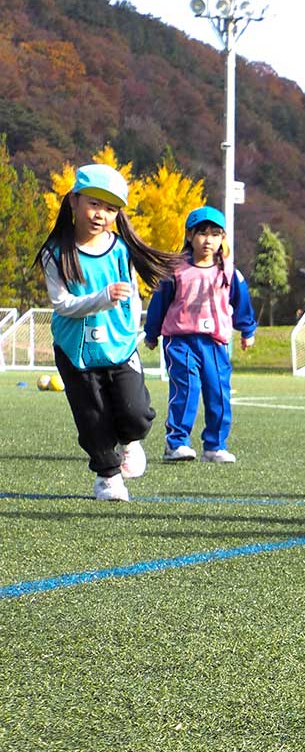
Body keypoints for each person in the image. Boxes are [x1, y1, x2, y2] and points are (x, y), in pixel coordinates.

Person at [35, 164, 180, 501]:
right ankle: (108, 477)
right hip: (76, 351)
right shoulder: (54, 253)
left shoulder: (120, 249)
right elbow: (62, 304)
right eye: (95, 204)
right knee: (93, 419)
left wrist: (132, 331)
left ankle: (130, 443)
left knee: (136, 414)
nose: (101, 215)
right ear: (74, 201)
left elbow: (132, 296)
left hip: (119, 346)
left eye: (111, 209)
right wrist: (102, 299)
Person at [143, 206, 258, 463]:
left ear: (222, 239)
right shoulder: (175, 271)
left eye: (215, 234)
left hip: (215, 344)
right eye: (202, 233)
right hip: (181, 341)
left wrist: (247, 330)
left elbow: (242, 303)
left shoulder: (228, 272)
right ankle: (176, 443)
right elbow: (159, 303)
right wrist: (151, 333)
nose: (208, 240)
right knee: (187, 389)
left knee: (218, 392)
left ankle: (214, 446)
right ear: (189, 236)